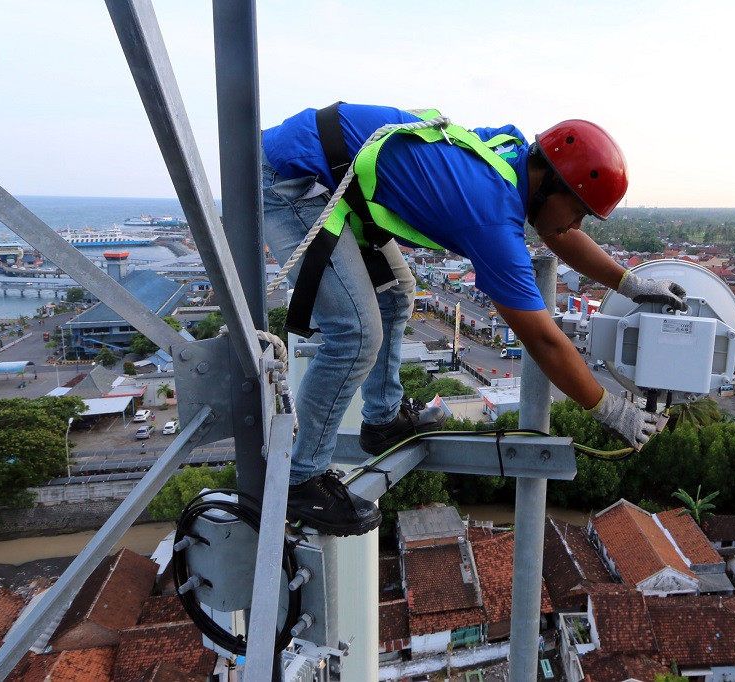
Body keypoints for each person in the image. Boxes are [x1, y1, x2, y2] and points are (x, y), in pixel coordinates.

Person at [262, 104, 687, 537]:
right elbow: (543, 340)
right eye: (578, 212)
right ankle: (301, 480)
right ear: (551, 185)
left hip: (330, 170)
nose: (577, 224)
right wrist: (610, 409)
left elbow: (560, 232)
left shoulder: (512, 153)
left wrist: (629, 283)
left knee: (396, 295)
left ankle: (383, 420)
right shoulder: (491, 218)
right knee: (355, 333)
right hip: (292, 177)